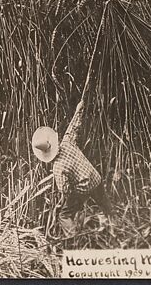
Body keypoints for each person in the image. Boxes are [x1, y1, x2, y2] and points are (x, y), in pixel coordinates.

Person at [31, 95, 113, 238]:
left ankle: (74, 238)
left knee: (64, 214)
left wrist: (61, 203)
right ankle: (116, 226)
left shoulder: (57, 167)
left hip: (84, 188)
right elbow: (74, 126)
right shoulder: (67, 142)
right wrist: (79, 108)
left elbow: (66, 190)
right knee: (105, 205)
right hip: (96, 178)